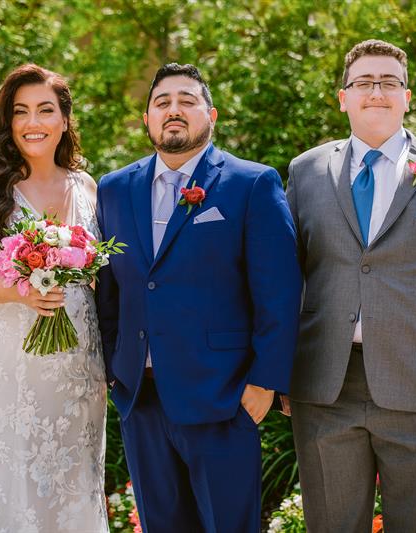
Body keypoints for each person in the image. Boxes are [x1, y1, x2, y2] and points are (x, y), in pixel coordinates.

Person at [287, 39, 416, 532]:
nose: (375, 92)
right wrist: (281, 373)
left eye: (388, 82)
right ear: (343, 97)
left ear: (407, 96)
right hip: (325, 388)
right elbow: (289, 277)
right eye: (363, 82)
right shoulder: (305, 171)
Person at [96, 63, 302, 532]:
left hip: (224, 397)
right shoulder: (113, 189)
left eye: (186, 101)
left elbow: (280, 292)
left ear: (210, 114)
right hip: (141, 400)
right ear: (146, 119)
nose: (174, 110)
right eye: (162, 102)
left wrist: (264, 383)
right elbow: (110, 289)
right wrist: (114, 368)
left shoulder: (252, 183)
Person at [0, 64, 108, 532]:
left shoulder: (87, 188)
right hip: (1, 365)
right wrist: (23, 288)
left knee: (71, 483)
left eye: (46, 110)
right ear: (8, 121)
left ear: (65, 120)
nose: (33, 122)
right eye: (21, 111)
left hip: (76, 370)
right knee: (3, 483)